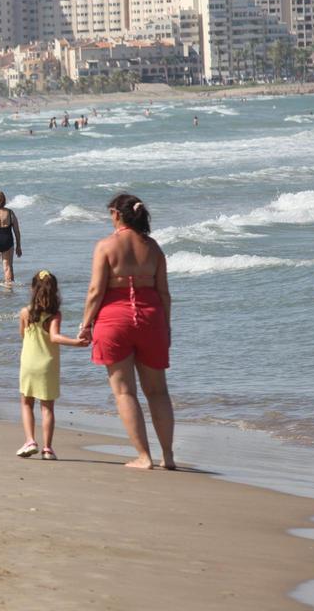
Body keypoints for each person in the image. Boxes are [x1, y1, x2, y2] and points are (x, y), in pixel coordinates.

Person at [78, 194, 174, 470]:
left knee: (124, 392)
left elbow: (96, 290)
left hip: (114, 321)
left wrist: (85, 324)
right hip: (151, 318)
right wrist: (165, 326)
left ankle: (144, 457)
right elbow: (164, 293)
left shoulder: (106, 246)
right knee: (158, 391)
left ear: (115, 214)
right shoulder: (153, 248)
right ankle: (167, 456)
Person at [16, 270, 87, 459]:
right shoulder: (55, 315)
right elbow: (54, 337)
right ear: (54, 291)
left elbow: (22, 335)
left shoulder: (25, 312)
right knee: (47, 407)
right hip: (47, 365)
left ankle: (30, 440)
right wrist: (76, 342)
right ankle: (47, 448)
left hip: (29, 363)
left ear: (33, 289)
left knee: (26, 403)